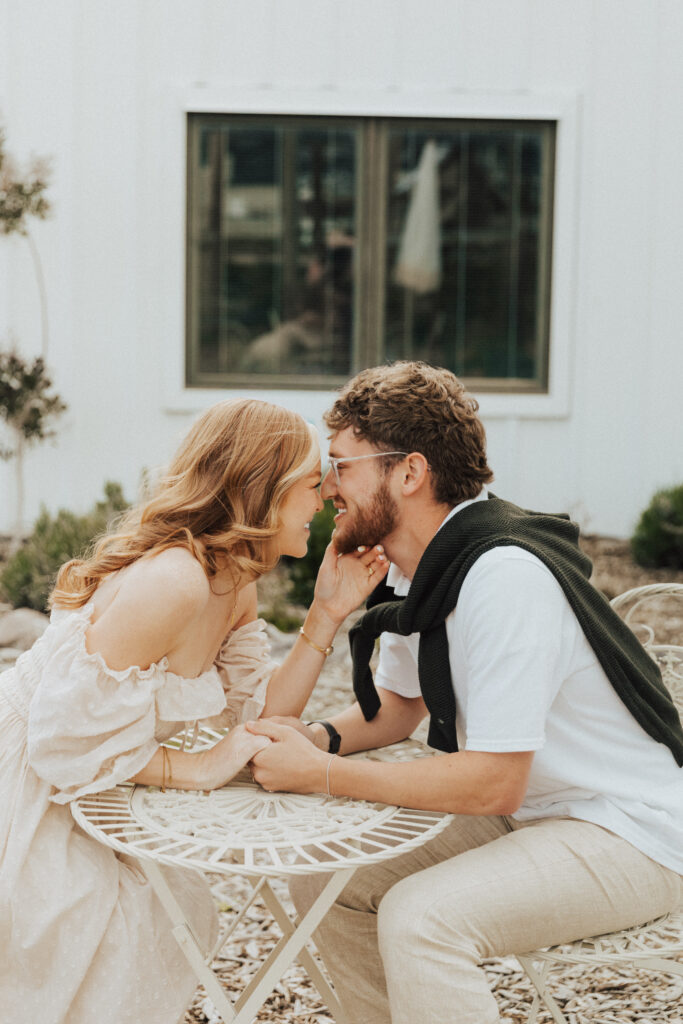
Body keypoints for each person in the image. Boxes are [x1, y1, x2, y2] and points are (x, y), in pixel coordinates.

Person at [248, 362, 683, 1024]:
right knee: (324, 873)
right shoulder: (425, 565)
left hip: (625, 827)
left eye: (342, 465)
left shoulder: (502, 577)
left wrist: (325, 775)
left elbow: (492, 784)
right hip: (536, 808)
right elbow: (397, 708)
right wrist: (316, 740)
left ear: (409, 472)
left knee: (421, 919)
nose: (328, 486)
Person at [0, 397, 388, 1024]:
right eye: (311, 484)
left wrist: (326, 614)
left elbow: (257, 716)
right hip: (27, 790)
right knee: (96, 924)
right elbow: (61, 743)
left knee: (164, 915)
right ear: (261, 489)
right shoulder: (175, 580)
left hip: (86, 788)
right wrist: (199, 767)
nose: (322, 501)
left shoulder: (233, 575)